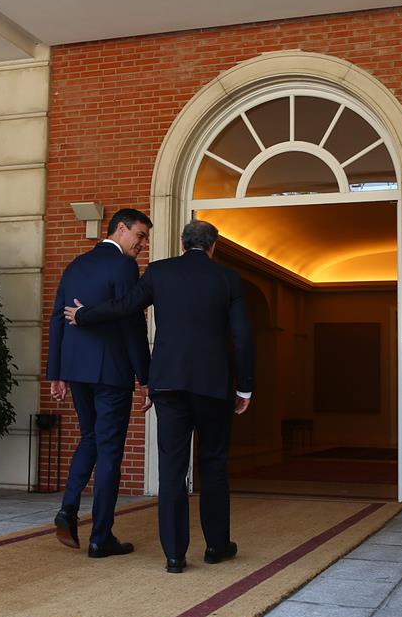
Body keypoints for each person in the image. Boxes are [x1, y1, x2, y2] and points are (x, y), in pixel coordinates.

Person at [65, 219, 254, 574]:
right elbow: (242, 337)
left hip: (167, 383)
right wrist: (244, 386)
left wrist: (85, 315)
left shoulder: (159, 272)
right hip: (213, 385)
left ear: (183, 243)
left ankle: (174, 554)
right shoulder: (227, 278)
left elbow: (124, 307)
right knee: (213, 464)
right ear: (213, 247)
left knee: (171, 468)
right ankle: (215, 546)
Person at [46, 208, 152, 558]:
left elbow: (58, 319)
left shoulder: (76, 264)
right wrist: (145, 376)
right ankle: (100, 537)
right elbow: (131, 323)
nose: (143, 244)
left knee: (89, 438)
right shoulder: (123, 266)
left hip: (77, 371)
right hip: (111, 373)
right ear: (121, 229)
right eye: (140, 235)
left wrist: (57, 373)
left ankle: (68, 508)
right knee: (109, 452)